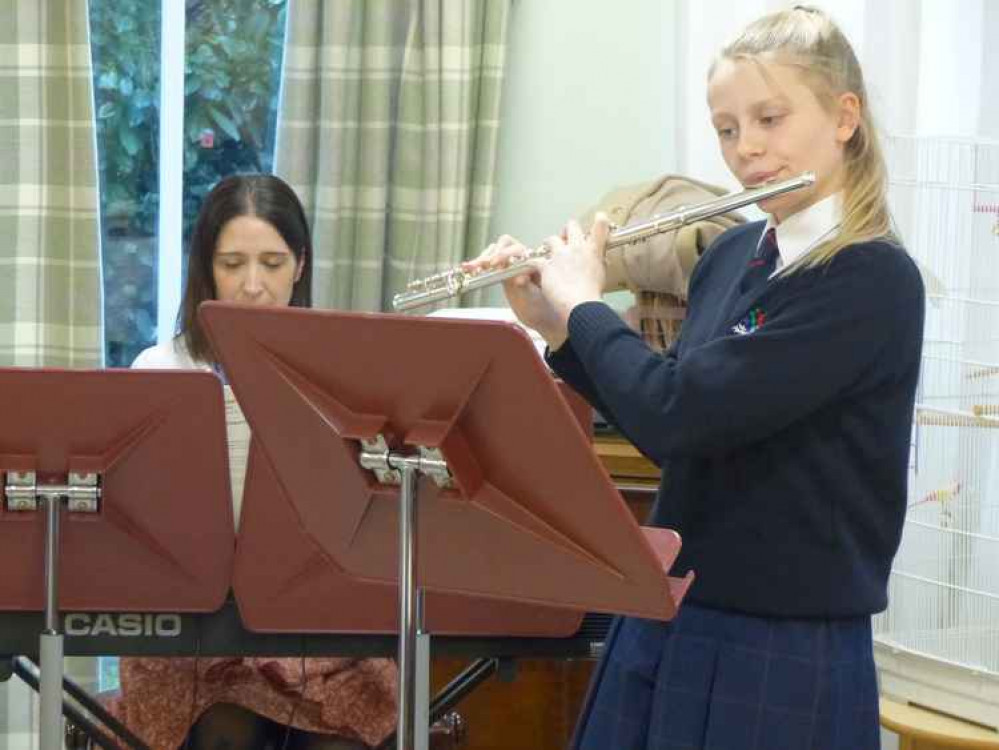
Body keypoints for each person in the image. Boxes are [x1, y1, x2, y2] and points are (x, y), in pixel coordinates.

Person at [471, 6, 925, 749]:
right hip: (675, 610)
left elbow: (680, 409)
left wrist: (586, 302)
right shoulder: (732, 254)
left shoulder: (867, 278)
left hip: (782, 644)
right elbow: (676, 431)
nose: (747, 150)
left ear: (844, 117)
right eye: (725, 129)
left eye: (770, 119)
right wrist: (554, 324)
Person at [121, 174, 398, 750]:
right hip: (196, 634)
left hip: (316, 624)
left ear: (300, 265)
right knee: (225, 730)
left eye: (272, 263)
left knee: (342, 735)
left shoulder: (342, 368)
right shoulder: (161, 369)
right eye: (233, 264)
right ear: (206, 269)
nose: (252, 286)